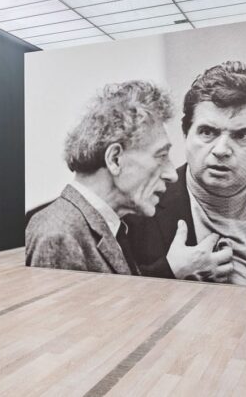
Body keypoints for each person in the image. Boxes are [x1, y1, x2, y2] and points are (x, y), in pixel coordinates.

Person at [127, 61, 246, 291]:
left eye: (243, 135)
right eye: (207, 132)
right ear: (186, 133)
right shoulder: (134, 211)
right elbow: (113, 304)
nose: (221, 150)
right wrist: (170, 273)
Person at [26, 81, 179, 274]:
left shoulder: (107, 227)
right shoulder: (59, 236)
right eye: (161, 156)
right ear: (115, 159)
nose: (172, 175)